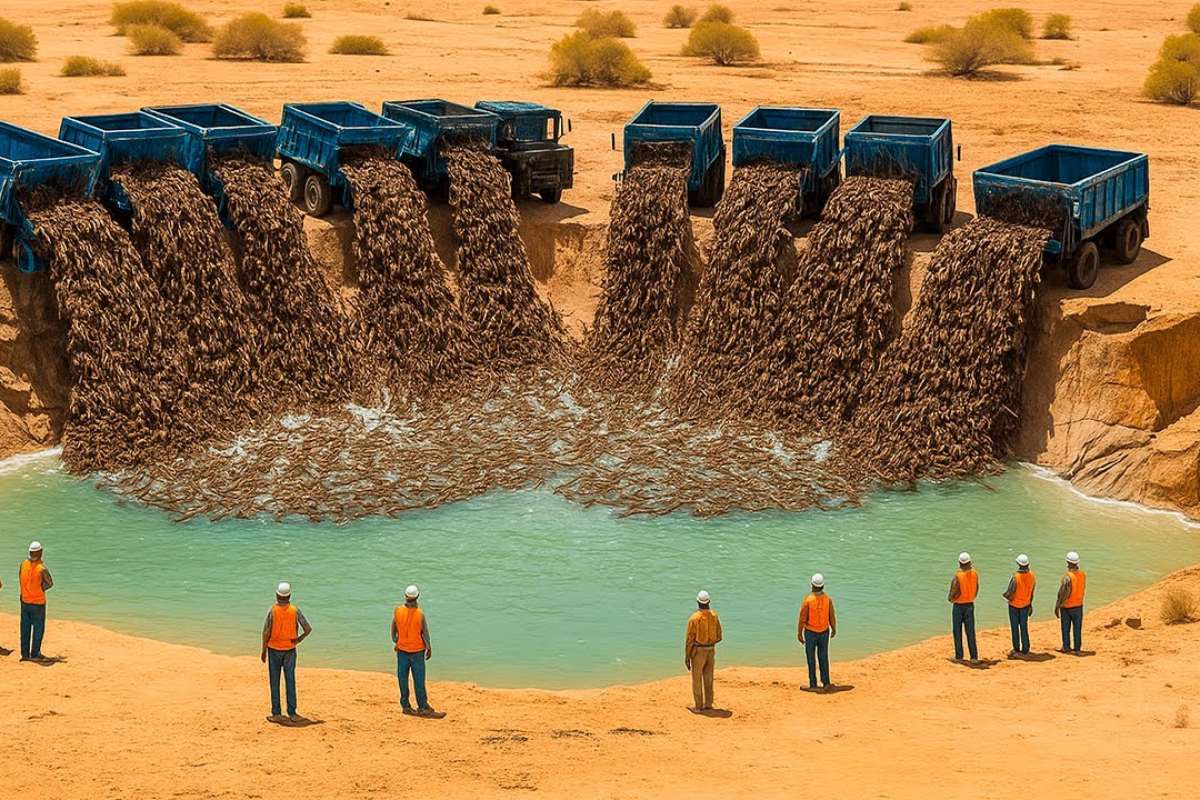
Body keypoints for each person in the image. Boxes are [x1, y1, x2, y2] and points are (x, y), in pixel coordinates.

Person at [261, 581, 312, 722]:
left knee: (274, 681)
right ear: (289, 596)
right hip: (289, 650)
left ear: (277, 595)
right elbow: (307, 629)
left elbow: (266, 632)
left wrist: (263, 651)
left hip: (273, 649)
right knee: (290, 680)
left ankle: (276, 713)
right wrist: (297, 640)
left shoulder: (273, 611)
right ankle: (292, 712)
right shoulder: (295, 611)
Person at [392, 585, 441, 717]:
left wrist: (397, 642)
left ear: (405, 597)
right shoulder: (420, 614)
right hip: (417, 652)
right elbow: (424, 633)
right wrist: (429, 647)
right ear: (417, 597)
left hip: (402, 651)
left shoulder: (397, 611)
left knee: (402, 679)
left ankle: (406, 706)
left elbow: (393, 630)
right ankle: (422, 706)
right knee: (419, 680)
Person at [684, 589, 723, 711]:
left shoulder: (694, 618)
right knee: (708, 677)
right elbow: (719, 636)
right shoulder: (715, 616)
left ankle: (698, 706)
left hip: (698, 651)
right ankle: (709, 703)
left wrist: (687, 657)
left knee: (697, 678)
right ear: (709, 602)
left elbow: (689, 640)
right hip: (711, 650)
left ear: (698, 602)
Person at [797, 574, 837, 691]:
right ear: (823, 586)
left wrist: (799, 633)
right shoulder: (828, 599)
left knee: (811, 658)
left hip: (811, 632)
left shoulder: (808, 600)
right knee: (823, 657)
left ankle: (813, 684)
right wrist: (834, 628)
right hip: (824, 631)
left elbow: (802, 619)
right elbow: (832, 616)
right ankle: (826, 682)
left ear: (812, 586)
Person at [19, 541, 53, 662]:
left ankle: (24, 654)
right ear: (40, 553)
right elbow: (49, 583)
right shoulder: (42, 568)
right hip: (38, 603)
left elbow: (20, 579)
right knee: (38, 629)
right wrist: (39, 588)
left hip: (24, 601)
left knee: (25, 628)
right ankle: (35, 653)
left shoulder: (23, 564)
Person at [948, 552, 979, 662]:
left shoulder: (958, 576)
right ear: (970, 562)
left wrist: (951, 599)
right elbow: (976, 589)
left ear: (960, 563)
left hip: (959, 606)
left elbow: (953, 590)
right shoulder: (975, 574)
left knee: (957, 631)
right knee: (970, 631)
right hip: (970, 604)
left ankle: (959, 656)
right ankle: (974, 657)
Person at [1003, 554, 1036, 656]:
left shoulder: (1015, 577)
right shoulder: (1032, 576)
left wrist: (1005, 596)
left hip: (1014, 605)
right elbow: (1031, 591)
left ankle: (1016, 649)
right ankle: (1026, 649)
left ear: (1018, 564)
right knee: (1024, 627)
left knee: (1014, 627)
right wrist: (1030, 603)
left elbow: (1010, 592)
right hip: (1025, 604)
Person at [1055, 551, 1086, 653]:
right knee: (1077, 629)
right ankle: (1077, 648)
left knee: (1066, 628)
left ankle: (1066, 647)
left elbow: (1062, 594)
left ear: (1068, 563)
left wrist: (1057, 606)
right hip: (1079, 605)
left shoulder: (1067, 577)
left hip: (1067, 607)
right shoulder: (1082, 575)